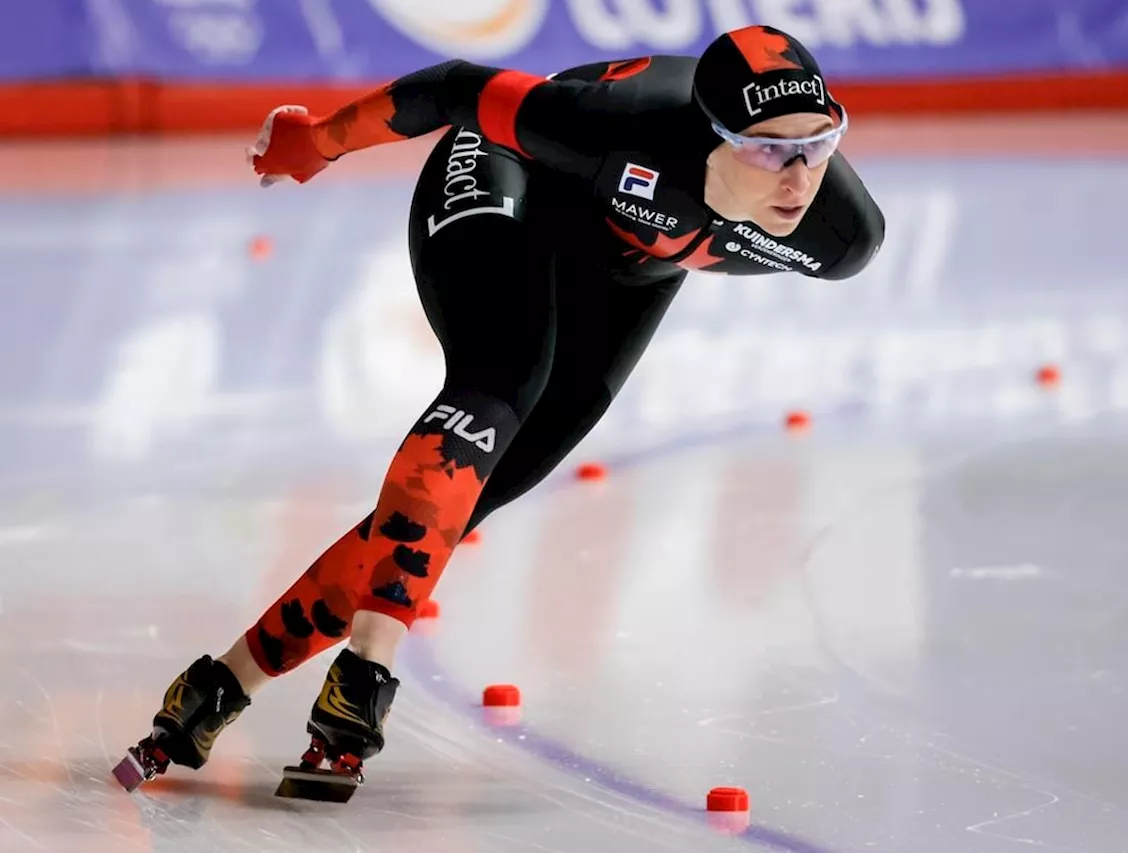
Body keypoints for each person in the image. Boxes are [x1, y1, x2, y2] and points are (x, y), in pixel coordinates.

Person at [112, 24, 885, 793]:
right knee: (499, 379)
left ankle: (220, 685)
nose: (797, 178)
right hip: (508, 176)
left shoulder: (839, 234)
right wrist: (319, 141)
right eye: (766, 149)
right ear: (705, 135)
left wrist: (755, 180)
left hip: (625, 270)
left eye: (817, 145)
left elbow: (740, 205)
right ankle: (367, 669)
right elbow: (451, 89)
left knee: (476, 493)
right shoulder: (616, 126)